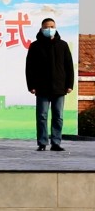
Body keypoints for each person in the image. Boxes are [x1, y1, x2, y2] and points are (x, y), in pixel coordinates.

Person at [25, 18, 74, 151]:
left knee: (58, 116)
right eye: (46, 27)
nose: (49, 29)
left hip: (59, 87)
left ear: (55, 28)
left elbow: (69, 66)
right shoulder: (35, 46)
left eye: (52, 26)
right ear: (41, 29)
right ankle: (42, 143)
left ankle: (56, 142)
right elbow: (29, 67)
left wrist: (69, 84)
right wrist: (31, 85)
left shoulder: (63, 45)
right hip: (41, 87)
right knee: (42, 116)